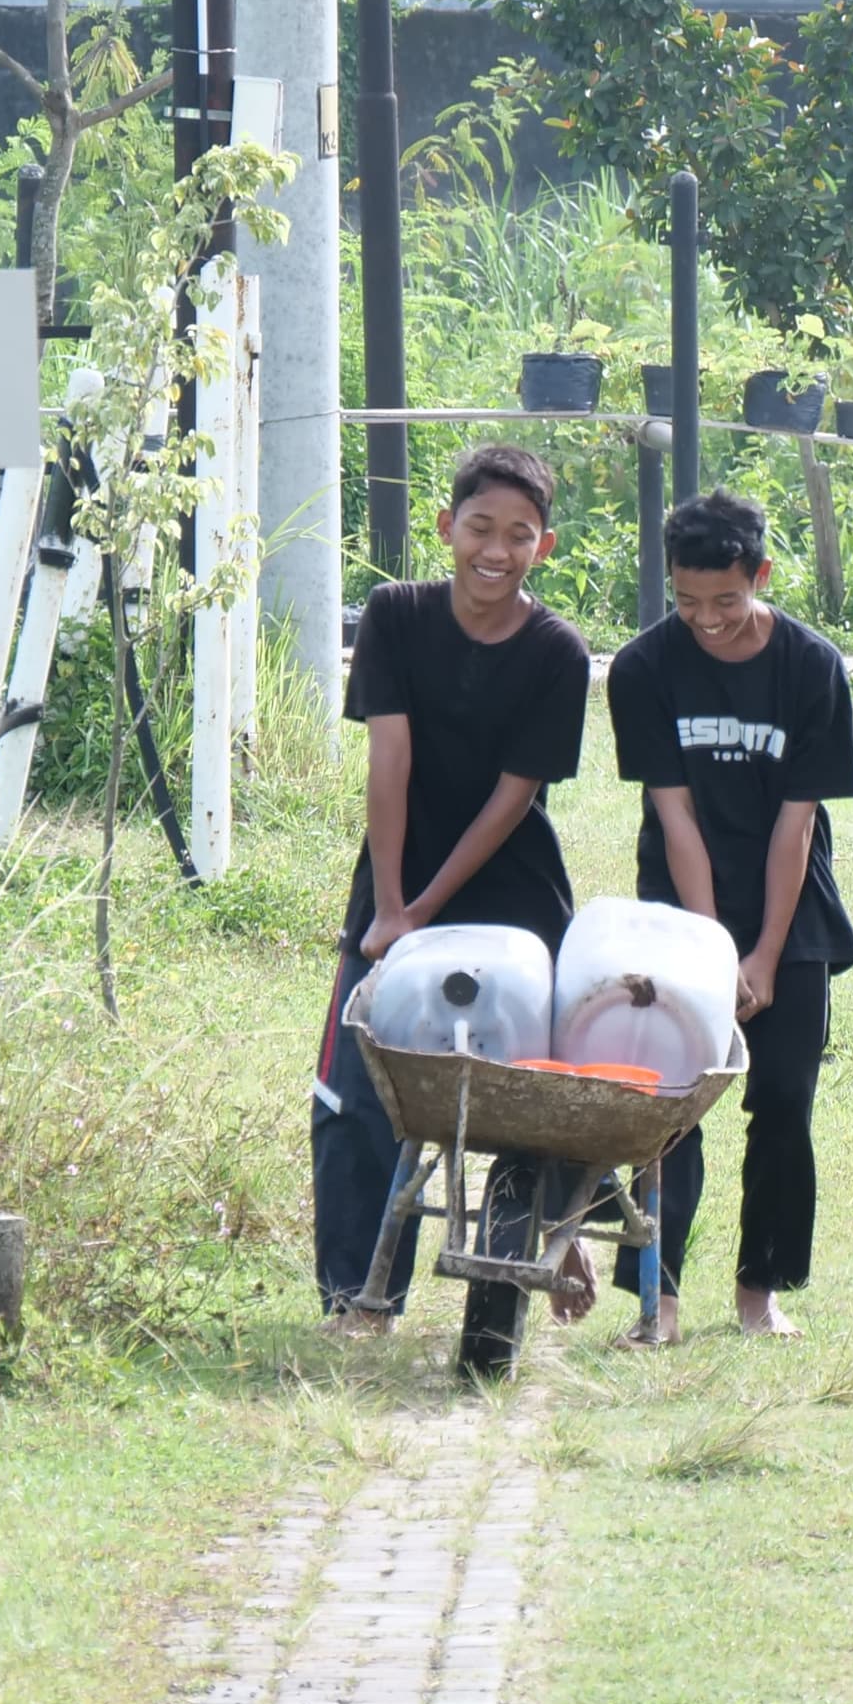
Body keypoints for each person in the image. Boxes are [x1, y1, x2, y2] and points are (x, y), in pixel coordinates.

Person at [312, 445, 593, 1335]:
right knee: (360, 1087)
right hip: (391, 882)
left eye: (519, 535)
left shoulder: (558, 652)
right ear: (447, 528)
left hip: (512, 894)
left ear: (542, 548)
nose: (496, 550)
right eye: (480, 528)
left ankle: (559, 1225)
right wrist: (391, 911)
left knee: (531, 1088)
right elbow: (387, 765)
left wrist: (425, 912)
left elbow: (516, 800)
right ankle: (359, 1301)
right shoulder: (395, 616)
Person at [605, 490, 853, 1342]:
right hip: (681, 915)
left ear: (760, 574)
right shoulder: (643, 670)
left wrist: (764, 954)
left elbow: (798, 824)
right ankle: (660, 1296)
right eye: (686, 602)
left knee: (784, 1101)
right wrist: (714, 951)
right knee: (669, 1104)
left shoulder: (811, 668)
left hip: (791, 918)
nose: (706, 620)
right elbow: (674, 816)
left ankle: (761, 1293)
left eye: (725, 599)